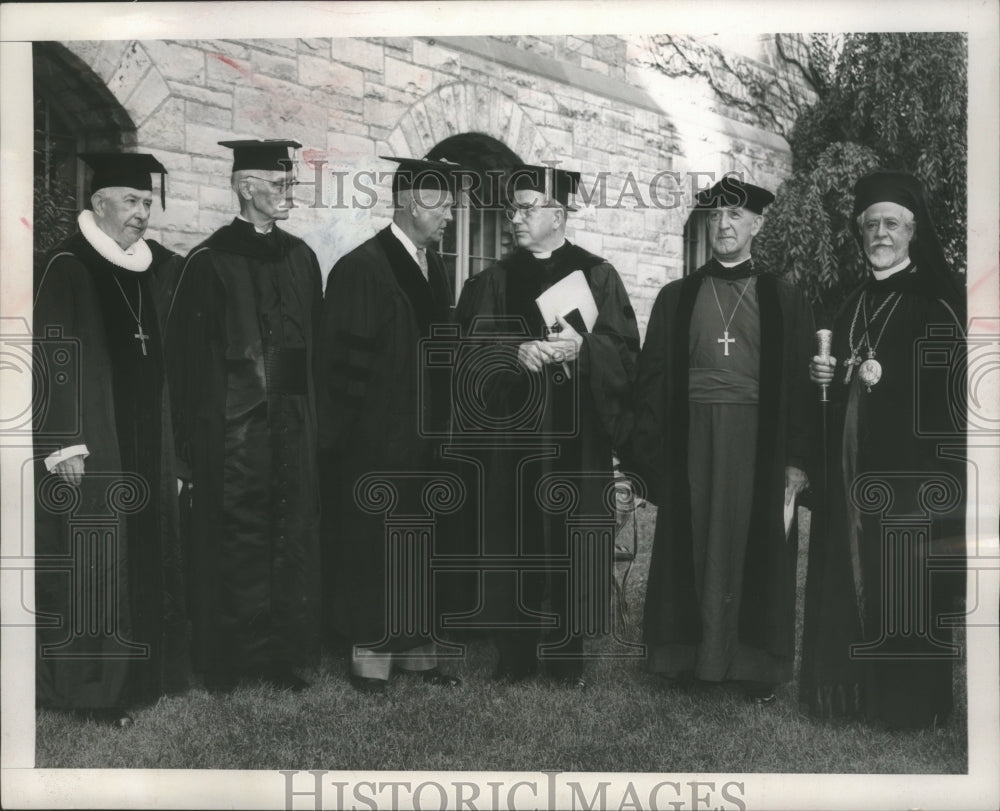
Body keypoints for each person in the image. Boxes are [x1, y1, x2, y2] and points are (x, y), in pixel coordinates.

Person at [626, 176, 814, 704]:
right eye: (715, 217)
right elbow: (654, 379)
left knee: (752, 544)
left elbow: (800, 386)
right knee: (695, 537)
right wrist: (654, 455)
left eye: (735, 216)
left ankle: (754, 666)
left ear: (759, 223)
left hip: (760, 443)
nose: (724, 225)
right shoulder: (677, 296)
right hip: (694, 440)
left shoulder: (784, 299)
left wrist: (797, 461)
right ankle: (686, 657)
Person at [453, 164, 640, 689]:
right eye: (513, 209)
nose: (515, 218)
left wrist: (584, 351)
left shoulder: (597, 274)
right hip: (511, 435)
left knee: (571, 537)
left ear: (558, 215)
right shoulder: (494, 279)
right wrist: (516, 350)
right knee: (515, 534)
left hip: (577, 434)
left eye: (527, 208)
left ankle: (566, 656)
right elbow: (467, 351)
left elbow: (624, 352)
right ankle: (514, 653)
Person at [800, 170, 966, 729]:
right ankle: (854, 695)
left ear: (913, 232)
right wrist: (826, 374)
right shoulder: (852, 305)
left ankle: (907, 704)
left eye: (891, 223)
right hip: (853, 473)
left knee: (903, 581)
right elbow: (848, 381)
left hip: (913, 474)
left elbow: (953, 397)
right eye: (871, 225)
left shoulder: (936, 303)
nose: (880, 234)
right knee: (856, 573)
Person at [33, 152, 190, 727]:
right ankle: (94, 690)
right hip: (95, 441)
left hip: (148, 437)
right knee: (97, 558)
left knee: (147, 549)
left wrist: (175, 452)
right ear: (99, 204)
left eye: (148, 203)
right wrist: (65, 441)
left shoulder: (152, 269)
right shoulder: (68, 265)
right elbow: (52, 357)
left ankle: (148, 675)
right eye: (131, 202)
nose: (143, 214)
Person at [165, 139, 322, 692]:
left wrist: (296, 418)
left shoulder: (300, 258)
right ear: (245, 186)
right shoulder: (207, 263)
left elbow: (301, 351)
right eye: (278, 186)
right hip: (229, 433)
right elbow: (184, 361)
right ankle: (224, 661)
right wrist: (189, 443)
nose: (288, 196)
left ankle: (279, 655)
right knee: (232, 540)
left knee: (286, 537)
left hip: (286, 425)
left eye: (290, 186)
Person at [318, 156, 463, 694]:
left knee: (421, 541)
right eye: (438, 202)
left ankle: (416, 651)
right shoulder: (362, 267)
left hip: (425, 435)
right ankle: (370, 658)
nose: (449, 213)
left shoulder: (434, 266)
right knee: (374, 544)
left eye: (451, 203)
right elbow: (340, 367)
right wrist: (341, 442)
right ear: (405, 203)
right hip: (374, 439)